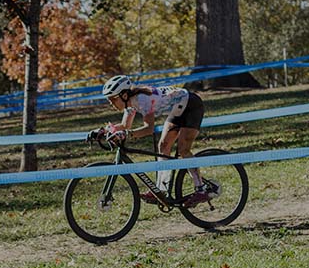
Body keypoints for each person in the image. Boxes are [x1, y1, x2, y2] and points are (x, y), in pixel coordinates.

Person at [92, 75, 219, 207]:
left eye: (113, 99)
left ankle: (201, 189)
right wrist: (104, 131)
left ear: (124, 95)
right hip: (178, 111)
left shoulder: (142, 100)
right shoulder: (129, 104)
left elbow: (149, 128)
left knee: (183, 149)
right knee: (163, 146)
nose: (111, 103)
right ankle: (161, 190)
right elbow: (125, 126)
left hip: (191, 106)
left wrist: (126, 134)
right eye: (109, 100)